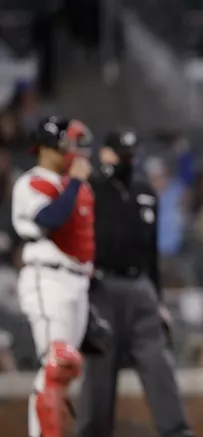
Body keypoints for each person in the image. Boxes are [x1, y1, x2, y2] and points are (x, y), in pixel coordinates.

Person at [75, 129, 194, 437]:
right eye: (118, 153)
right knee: (99, 374)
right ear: (104, 154)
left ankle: (177, 431)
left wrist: (158, 301)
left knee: (159, 366)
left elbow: (150, 254)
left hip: (140, 289)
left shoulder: (145, 192)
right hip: (101, 288)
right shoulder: (91, 189)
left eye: (129, 154)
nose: (124, 159)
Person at [11, 116, 94, 437]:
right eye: (65, 143)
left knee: (67, 369)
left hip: (77, 282)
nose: (72, 150)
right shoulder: (32, 181)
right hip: (47, 278)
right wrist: (74, 182)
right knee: (57, 364)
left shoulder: (71, 184)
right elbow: (50, 218)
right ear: (47, 147)